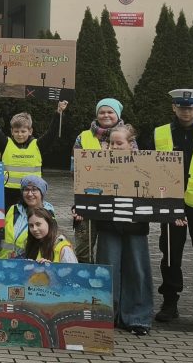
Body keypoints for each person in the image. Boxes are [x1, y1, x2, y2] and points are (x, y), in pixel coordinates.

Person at [138, 88, 193, 331]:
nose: (185, 111)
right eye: (181, 107)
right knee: (170, 255)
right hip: (170, 203)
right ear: (174, 108)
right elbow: (148, 167)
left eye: (190, 107)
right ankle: (170, 303)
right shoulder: (159, 134)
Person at [89, 124, 153, 336]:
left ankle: (137, 318)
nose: (114, 147)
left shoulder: (145, 166)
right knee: (106, 269)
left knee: (137, 270)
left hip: (135, 226)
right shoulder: (97, 164)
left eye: (119, 143)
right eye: (111, 143)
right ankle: (106, 315)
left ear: (130, 144)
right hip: (108, 225)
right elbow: (86, 190)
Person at [70, 97, 130, 263]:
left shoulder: (128, 136)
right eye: (102, 112)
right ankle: (85, 284)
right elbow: (75, 172)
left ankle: (108, 285)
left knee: (111, 252)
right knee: (83, 251)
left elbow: (134, 169)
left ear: (117, 114)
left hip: (116, 203)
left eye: (110, 112)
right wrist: (79, 202)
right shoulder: (83, 137)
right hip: (88, 200)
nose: (106, 115)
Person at [0, 95, 67, 210]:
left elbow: (51, 133)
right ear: (12, 131)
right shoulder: (6, 143)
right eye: (16, 131)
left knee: (31, 221)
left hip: (32, 192)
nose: (20, 134)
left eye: (23, 131)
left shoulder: (37, 145)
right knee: (10, 222)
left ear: (30, 131)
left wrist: (59, 112)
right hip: (8, 192)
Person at [0, 175, 56, 260]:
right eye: (26, 189)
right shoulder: (12, 209)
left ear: (42, 193)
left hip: (26, 267)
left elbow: (45, 245)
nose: (30, 194)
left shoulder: (48, 215)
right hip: (0, 264)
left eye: (34, 189)